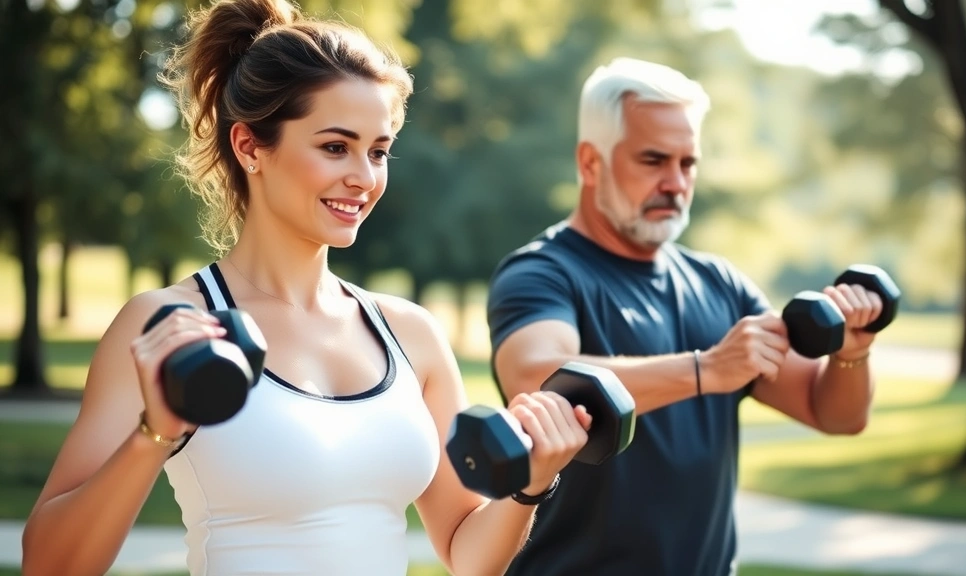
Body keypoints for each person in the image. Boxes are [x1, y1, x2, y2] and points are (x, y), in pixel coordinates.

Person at [20, 1, 593, 574]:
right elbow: (50, 564)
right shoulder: (169, 325)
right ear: (249, 147)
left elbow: (468, 553)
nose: (364, 178)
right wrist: (154, 434)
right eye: (335, 147)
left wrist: (531, 484)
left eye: (378, 151)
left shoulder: (410, 333)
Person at [486, 57, 885, 576]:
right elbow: (541, 378)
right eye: (653, 160)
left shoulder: (721, 284)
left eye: (688, 163)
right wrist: (708, 369)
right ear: (590, 163)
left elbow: (835, 414)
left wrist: (853, 355)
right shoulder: (541, 273)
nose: (676, 183)